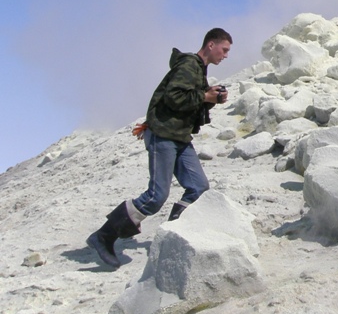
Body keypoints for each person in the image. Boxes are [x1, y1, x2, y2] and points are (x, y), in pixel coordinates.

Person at [87, 28, 232, 268]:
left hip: (179, 136)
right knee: (156, 196)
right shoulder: (189, 65)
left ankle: (174, 232)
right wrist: (205, 97)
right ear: (210, 44)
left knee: (198, 187)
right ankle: (103, 236)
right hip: (163, 134)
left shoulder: (198, 69)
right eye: (224, 49)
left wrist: (211, 99)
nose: (226, 55)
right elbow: (174, 98)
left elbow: (187, 102)